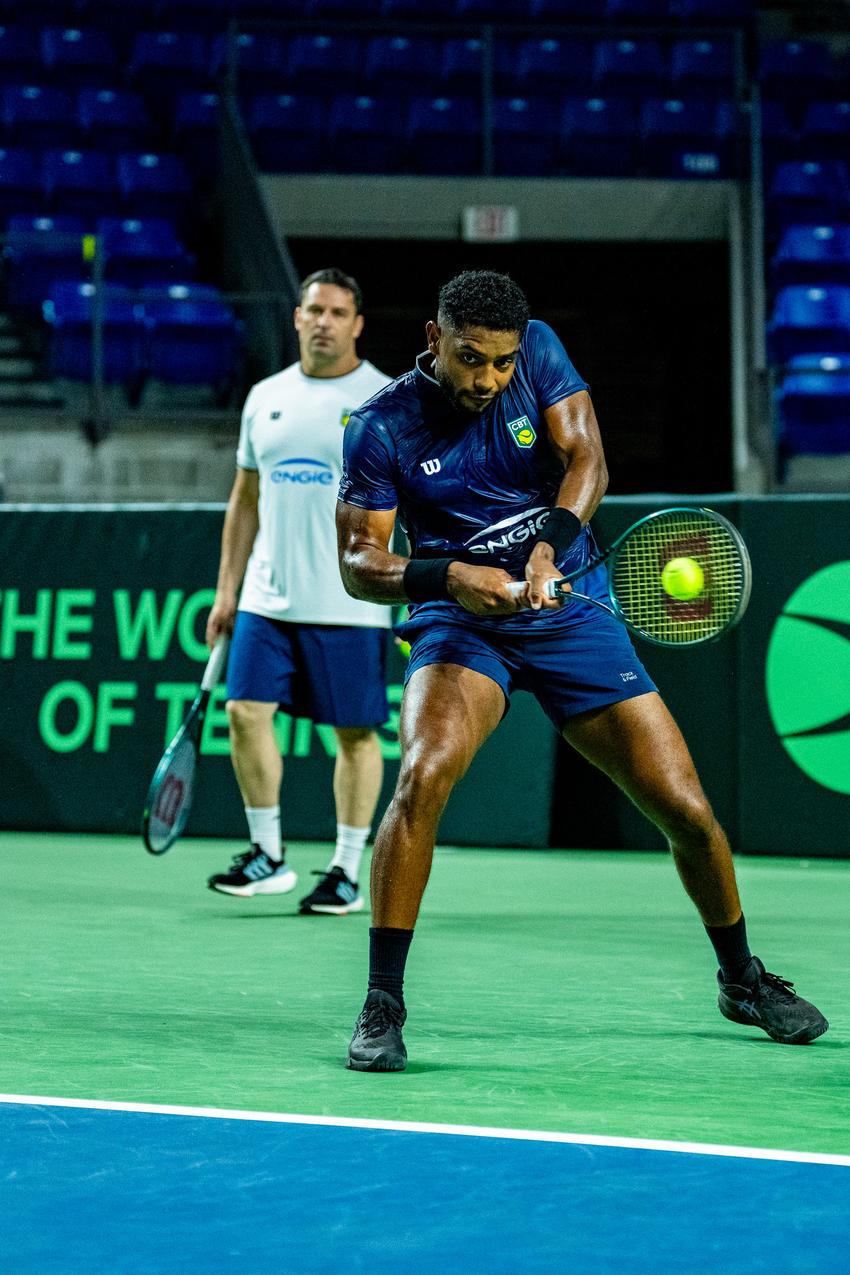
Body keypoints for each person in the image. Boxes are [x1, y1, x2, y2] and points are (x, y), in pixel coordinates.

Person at [335, 268, 828, 1071]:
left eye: (501, 362)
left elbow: (588, 457)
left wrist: (548, 545)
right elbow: (359, 562)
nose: (490, 379)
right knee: (422, 775)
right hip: (463, 624)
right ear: (434, 340)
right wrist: (449, 576)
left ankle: (741, 978)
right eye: (471, 360)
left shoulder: (538, 353)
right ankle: (382, 998)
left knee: (686, 808)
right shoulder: (379, 426)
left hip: (568, 609)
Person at [205, 267, 392, 915]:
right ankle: (268, 855)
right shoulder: (264, 397)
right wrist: (228, 589)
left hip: (352, 601)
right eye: (314, 310)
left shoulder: (384, 398)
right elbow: (245, 498)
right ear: (296, 317)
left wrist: (407, 581)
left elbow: (412, 503)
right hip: (267, 594)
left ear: (357, 324)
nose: (324, 322)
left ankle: (344, 869)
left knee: (355, 735)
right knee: (244, 713)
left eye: (338, 312)